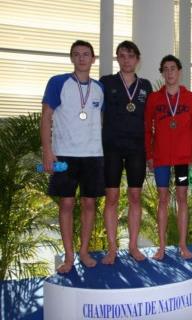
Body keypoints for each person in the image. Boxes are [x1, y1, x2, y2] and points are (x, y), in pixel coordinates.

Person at [40, 40, 105, 273]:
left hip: (93, 155)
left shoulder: (99, 88)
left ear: (93, 59)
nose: (81, 58)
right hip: (64, 155)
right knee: (66, 203)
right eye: (76, 54)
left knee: (90, 204)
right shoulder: (58, 82)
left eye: (86, 54)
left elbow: (102, 122)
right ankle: (69, 257)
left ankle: (84, 251)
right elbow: (46, 116)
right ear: (71, 58)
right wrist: (48, 151)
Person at [144, 54, 192, 260]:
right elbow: (147, 130)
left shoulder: (191, 98)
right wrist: (150, 155)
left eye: (173, 68)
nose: (169, 72)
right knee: (162, 199)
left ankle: (182, 245)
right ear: (162, 73)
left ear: (179, 72)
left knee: (182, 198)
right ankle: (161, 247)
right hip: (161, 159)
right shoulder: (154, 99)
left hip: (182, 160)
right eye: (166, 69)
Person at [99, 41, 153, 264]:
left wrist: (152, 152)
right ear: (117, 59)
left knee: (135, 196)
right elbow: (96, 115)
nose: (126, 60)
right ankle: (112, 249)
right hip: (111, 147)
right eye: (121, 56)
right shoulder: (106, 82)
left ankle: (132, 246)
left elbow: (151, 121)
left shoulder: (146, 86)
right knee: (111, 197)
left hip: (137, 148)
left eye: (130, 56)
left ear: (137, 59)